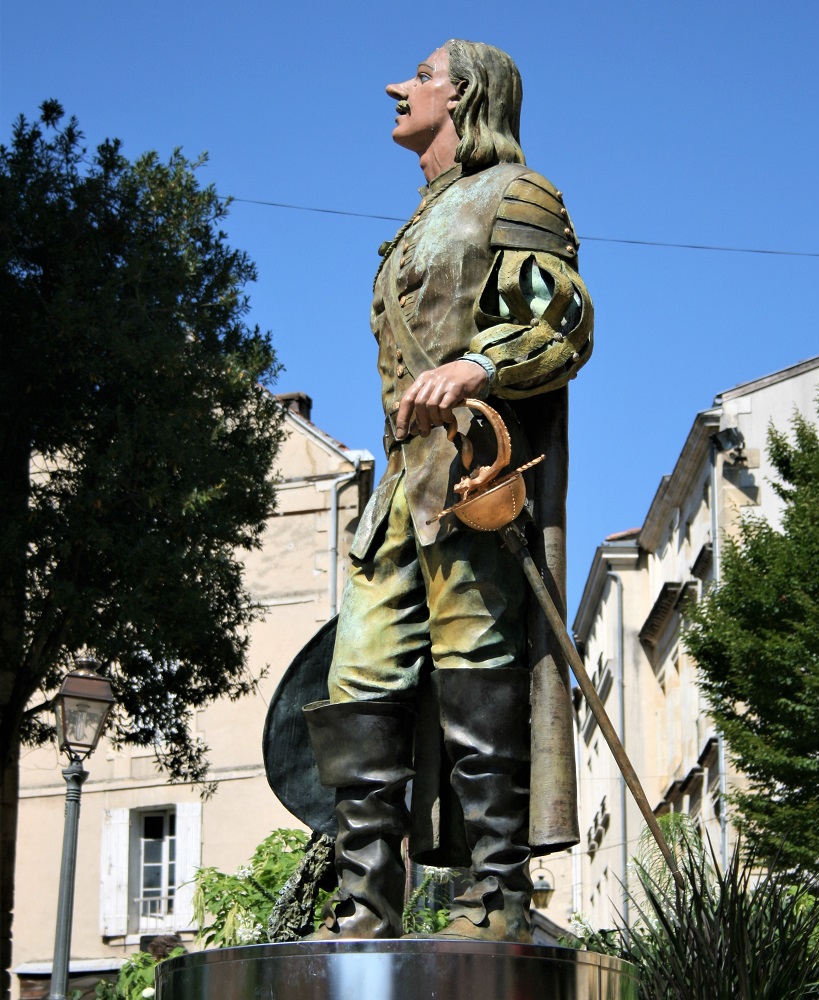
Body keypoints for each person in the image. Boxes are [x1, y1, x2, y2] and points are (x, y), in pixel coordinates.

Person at [304, 39, 593, 944]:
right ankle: (362, 910)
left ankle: (495, 899)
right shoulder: (417, 223)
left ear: (463, 94)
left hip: (473, 481)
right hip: (399, 496)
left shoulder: (518, 195)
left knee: (477, 675)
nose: (399, 86)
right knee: (357, 686)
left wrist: (476, 364)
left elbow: (565, 319)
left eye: (421, 75)